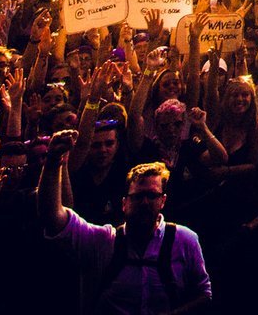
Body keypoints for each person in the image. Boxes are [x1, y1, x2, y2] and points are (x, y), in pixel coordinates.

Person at [41, 130, 212, 315]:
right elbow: (53, 219)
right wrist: (52, 162)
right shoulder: (103, 242)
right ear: (124, 203)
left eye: (152, 196)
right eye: (138, 196)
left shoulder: (185, 239)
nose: (145, 202)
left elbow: (204, 295)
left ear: (163, 201)